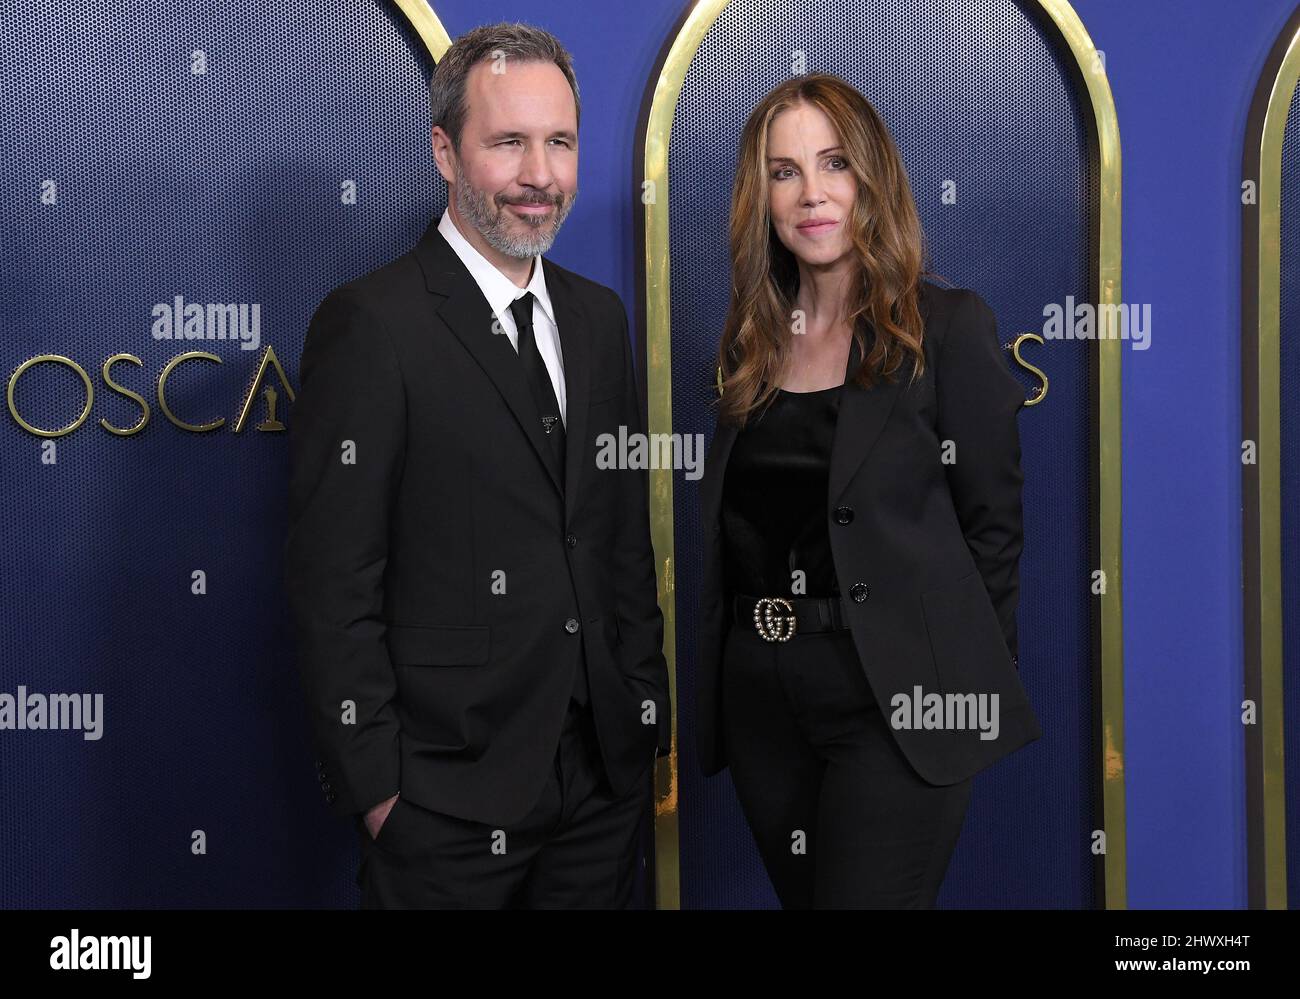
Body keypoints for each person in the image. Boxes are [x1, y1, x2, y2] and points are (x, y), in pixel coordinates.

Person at [284, 22, 670, 909]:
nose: (540, 174)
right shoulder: (372, 326)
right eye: (508, 143)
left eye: (560, 143)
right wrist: (380, 791)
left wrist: (643, 713)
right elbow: (333, 581)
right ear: (446, 153)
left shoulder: (600, 320)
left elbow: (616, 544)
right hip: (442, 798)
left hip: (599, 787)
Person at [694, 73, 1041, 908]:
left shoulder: (948, 327)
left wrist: (955, 695)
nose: (811, 194)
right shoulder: (750, 346)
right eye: (784, 171)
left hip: (897, 707)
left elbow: (993, 530)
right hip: (765, 703)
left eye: (834, 164)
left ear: (872, 179)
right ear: (762, 196)